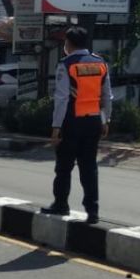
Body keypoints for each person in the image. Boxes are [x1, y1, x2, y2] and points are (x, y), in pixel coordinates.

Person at [41, 26, 111, 224]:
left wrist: (56, 127)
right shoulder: (100, 63)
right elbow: (107, 96)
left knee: (64, 167)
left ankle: (61, 204)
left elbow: (62, 98)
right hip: (94, 121)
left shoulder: (67, 64)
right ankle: (93, 211)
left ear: (68, 44)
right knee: (89, 168)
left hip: (72, 122)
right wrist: (106, 120)